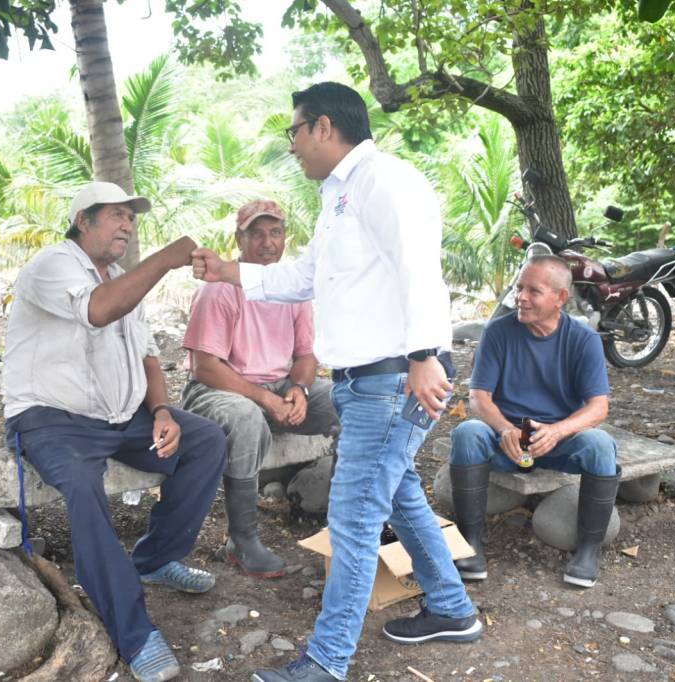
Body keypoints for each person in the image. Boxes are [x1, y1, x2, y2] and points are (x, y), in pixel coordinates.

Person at [192, 82, 482, 682]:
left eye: (294, 131)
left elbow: (419, 268)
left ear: (323, 126)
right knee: (398, 495)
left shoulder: (384, 181)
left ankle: (326, 662)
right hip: (363, 383)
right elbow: (303, 278)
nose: (291, 145)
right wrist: (227, 271)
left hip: (393, 379)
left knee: (352, 520)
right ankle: (452, 609)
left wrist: (425, 354)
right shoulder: (338, 196)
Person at [1, 181, 227, 682]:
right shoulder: (52, 265)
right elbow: (98, 310)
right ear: (83, 220)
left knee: (206, 440)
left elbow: (148, 357)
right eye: (117, 215)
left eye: (131, 217)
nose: (127, 225)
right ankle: (134, 633)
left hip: (119, 418)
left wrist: (163, 411)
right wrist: (165, 259)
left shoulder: (123, 278)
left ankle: (156, 558)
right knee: (83, 487)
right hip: (52, 417)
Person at [181, 199, 339, 579]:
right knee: (246, 417)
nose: (268, 242)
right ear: (239, 239)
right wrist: (265, 398)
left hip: (278, 385)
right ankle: (241, 540)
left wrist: (299, 389)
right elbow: (206, 367)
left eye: (276, 232)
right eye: (257, 234)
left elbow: (306, 354)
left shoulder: (292, 288)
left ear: (285, 238)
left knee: (345, 401)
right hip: (217, 388)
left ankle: (346, 517)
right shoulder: (220, 289)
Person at [450, 255, 619, 589]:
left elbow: (598, 407)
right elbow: (479, 397)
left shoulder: (583, 340)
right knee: (467, 433)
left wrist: (557, 431)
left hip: (558, 443)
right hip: (507, 441)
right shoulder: (498, 332)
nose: (521, 298)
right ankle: (470, 545)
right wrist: (505, 429)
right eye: (519, 288)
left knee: (600, 445)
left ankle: (587, 552)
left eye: (533, 291)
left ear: (560, 298)